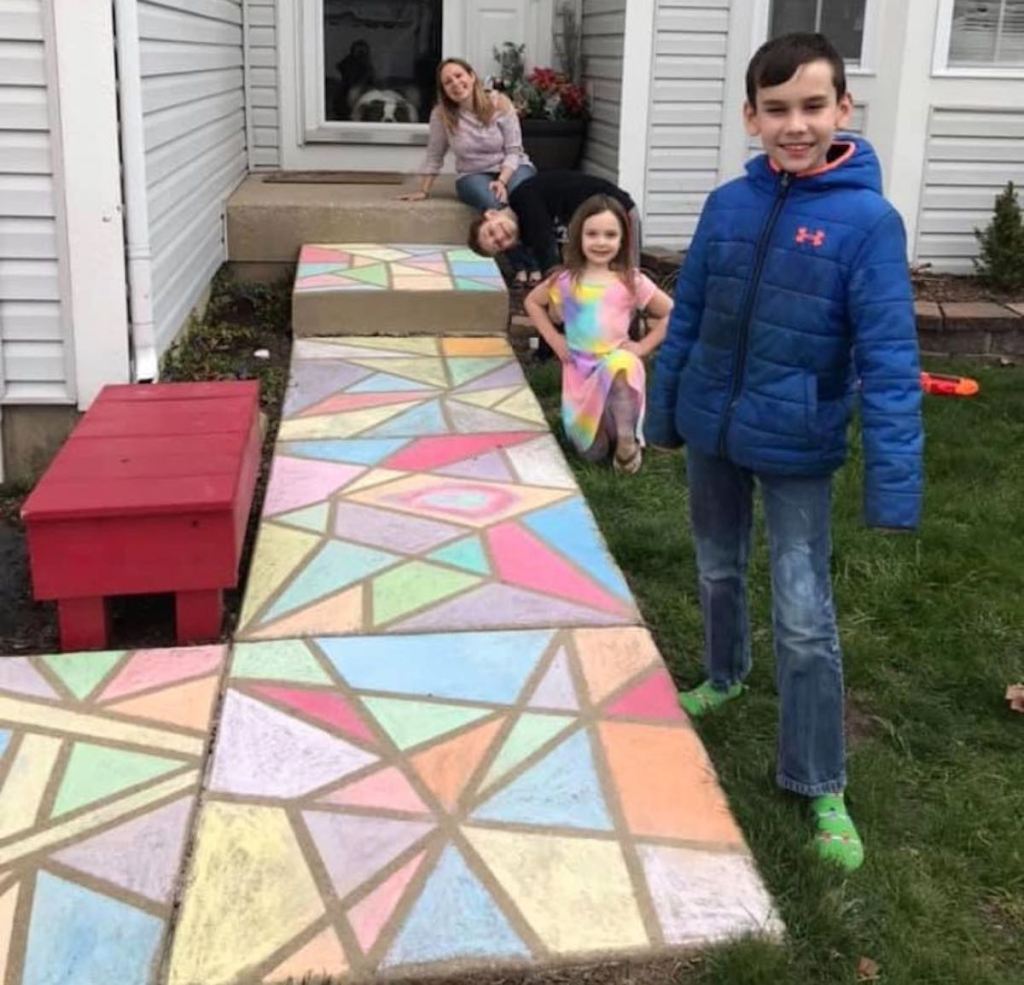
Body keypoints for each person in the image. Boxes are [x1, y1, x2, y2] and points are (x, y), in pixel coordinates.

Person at [645, 33, 923, 872]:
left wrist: (894, 486)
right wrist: (667, 415)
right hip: (715, 430)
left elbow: (889, 360)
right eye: (776, 109)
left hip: (798, 440)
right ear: (750, 116)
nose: (794, 125)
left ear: (843, 109)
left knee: (805, 617)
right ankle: (724, 673)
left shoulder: (868, 223)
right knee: (717, 567)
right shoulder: (727, 204)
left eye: (812, 106)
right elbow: (686, 314)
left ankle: (817, 776)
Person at [524, 195, 672, 473]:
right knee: (593, 453)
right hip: (580, 371)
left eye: (610, 234)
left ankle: (627, 442)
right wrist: (555, 341)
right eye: (592, 234)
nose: (601, 242)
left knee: (622, 364)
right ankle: (602, 433)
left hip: (616, 365)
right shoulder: (565, 281)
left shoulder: (631, 280)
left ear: (622, 240)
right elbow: (532, 302)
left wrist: (643, 347)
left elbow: (672, 312)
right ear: (578, 236)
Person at [400, 58, 538, 282]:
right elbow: (435, 155)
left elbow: (514, 149)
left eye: (459, 76)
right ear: (443, 89)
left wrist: (502, 180)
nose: (455, 83)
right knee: (495, 205)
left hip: (513, 165)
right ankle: (522, 264)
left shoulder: (499, 103)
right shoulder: (441, 115)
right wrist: (423, 190)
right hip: (473, 174)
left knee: (523, 198)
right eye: (447, 82)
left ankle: (533, 262)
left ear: (472, 76)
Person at [468, 169, 641, 276]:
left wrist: (553, 290)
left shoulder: (524, 198)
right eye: (499, 244)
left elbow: (546, 249)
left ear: (492, 213)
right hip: (600, 232)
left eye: (491, 231)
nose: (500, 235)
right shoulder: (528, 236)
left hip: (620, 212)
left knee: (629, 280)